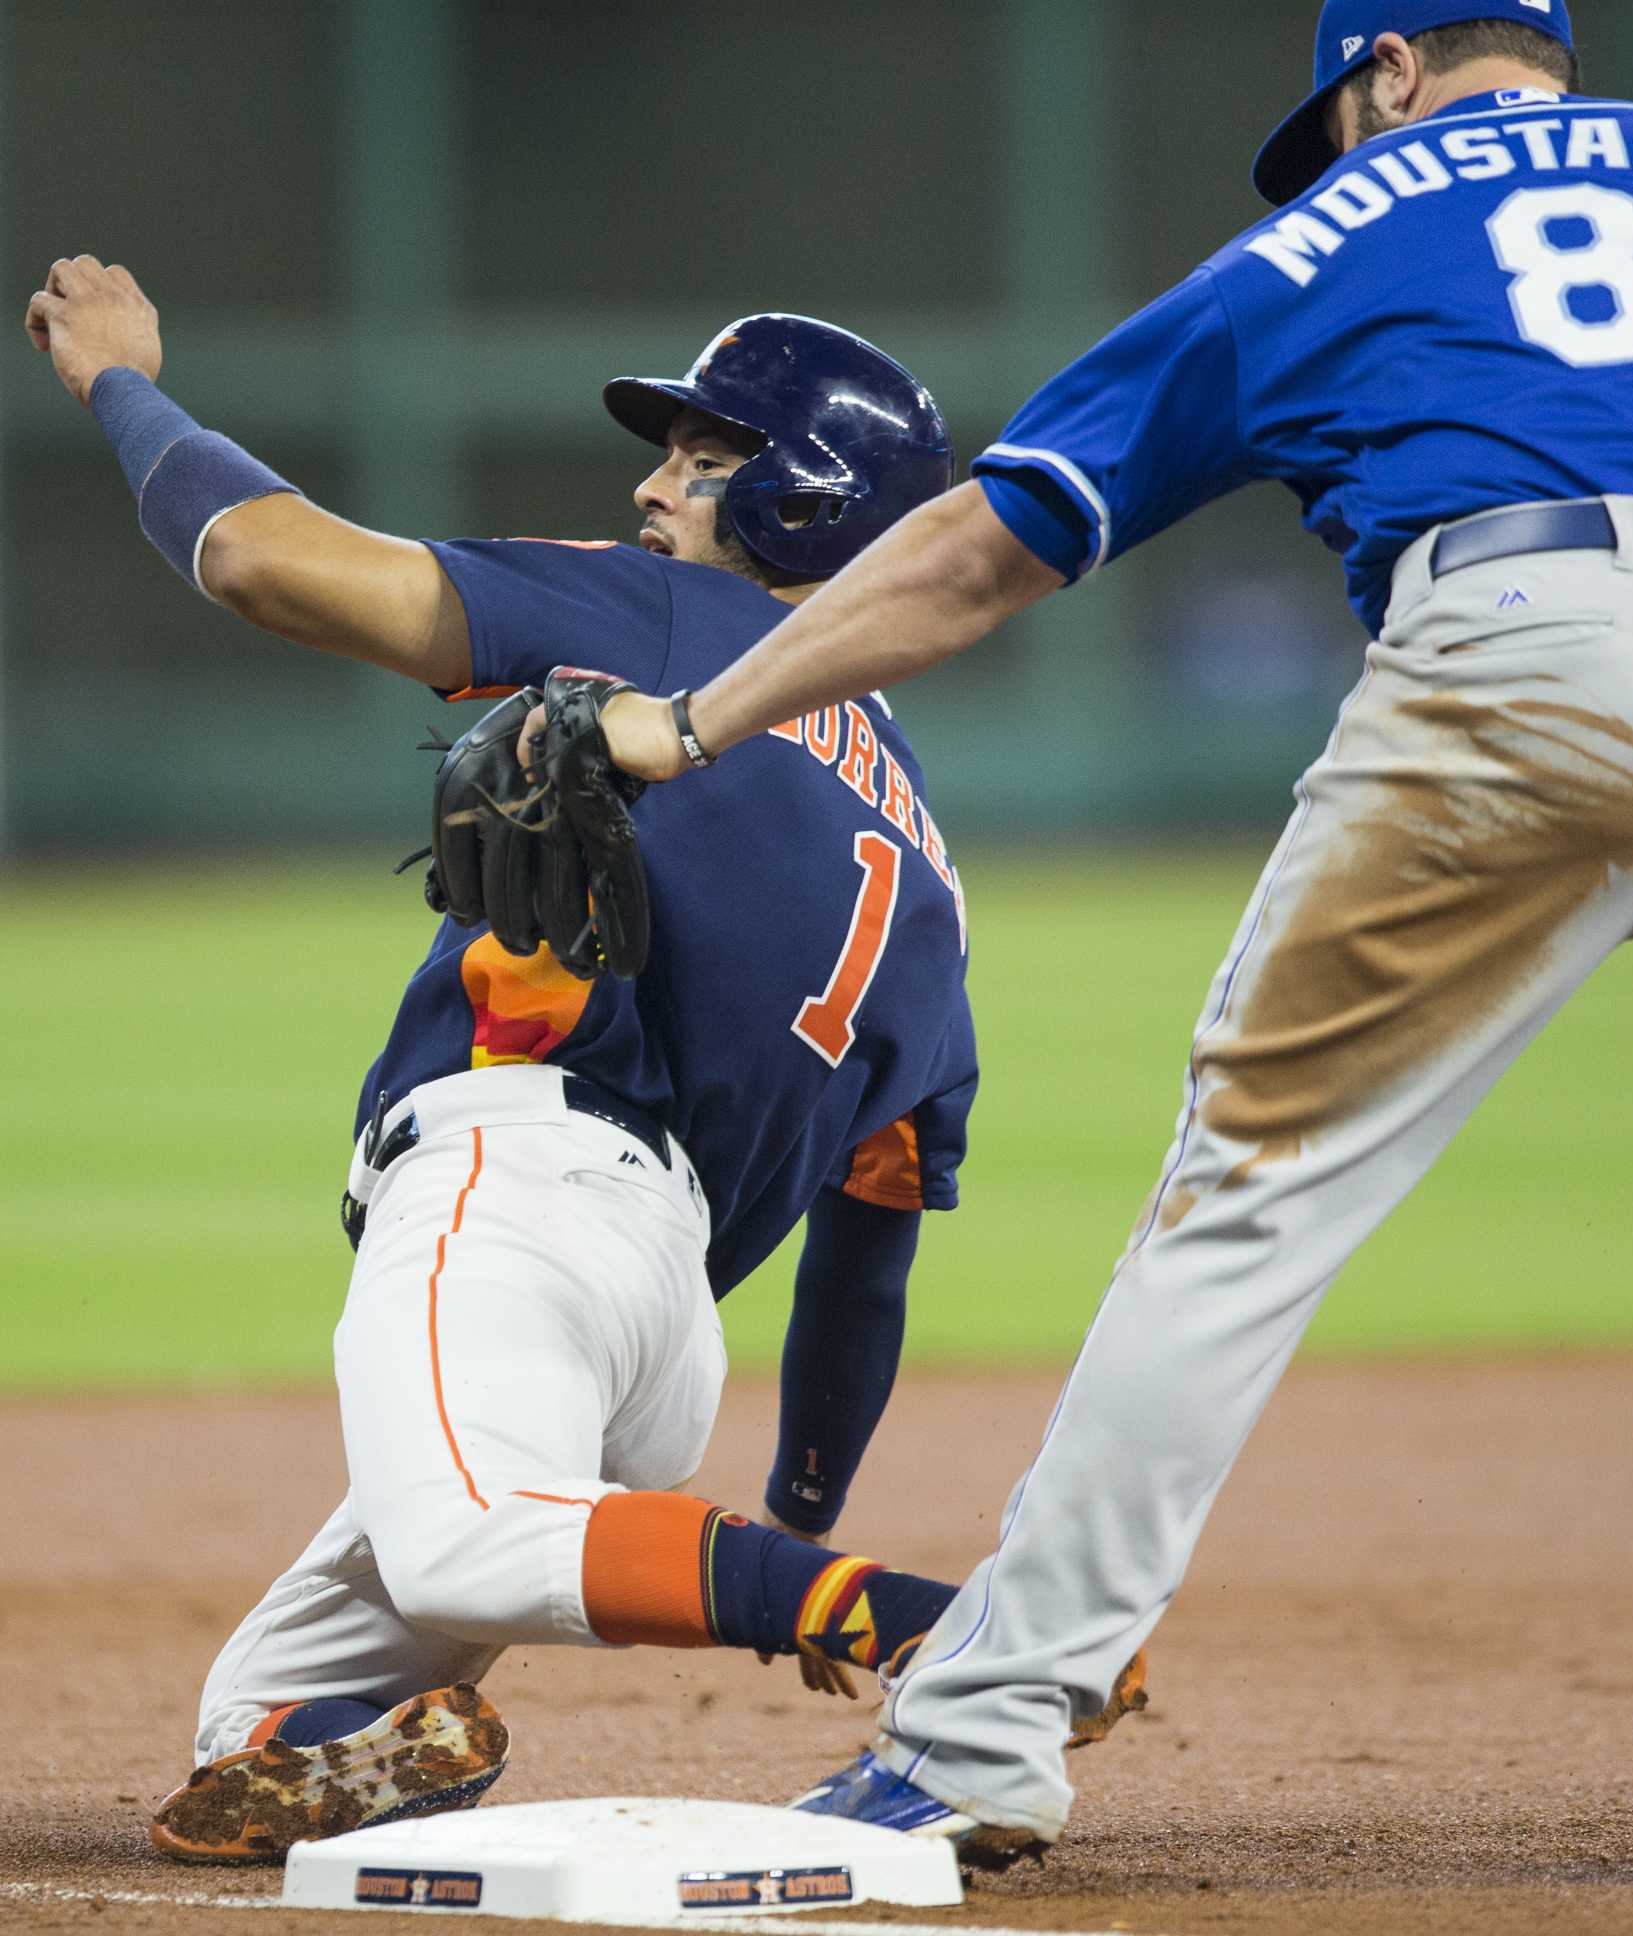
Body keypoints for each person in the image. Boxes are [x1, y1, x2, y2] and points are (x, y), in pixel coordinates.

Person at [578, 0, 1633, 1859]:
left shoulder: (1339, 229)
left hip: (1530, 655)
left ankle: (974, 1743)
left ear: (1381, 83)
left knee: (1247, 1205)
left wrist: (690, 720)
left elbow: (982, 550)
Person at [24, 282, 991, 1860]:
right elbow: (869, 1260)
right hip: (662, 1339)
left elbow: (261, 559)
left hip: (516, 1201)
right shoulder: (931, 863)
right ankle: (457, 1697)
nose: (654, 487)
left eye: (698, 454)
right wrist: (800, 1494)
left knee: (472, 1546)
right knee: (259, 1735)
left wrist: (125, 391)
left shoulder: (680, 627)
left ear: (801, 496)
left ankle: (949, 1636)